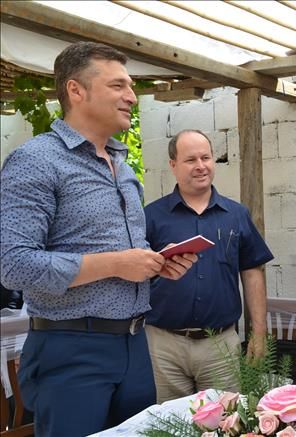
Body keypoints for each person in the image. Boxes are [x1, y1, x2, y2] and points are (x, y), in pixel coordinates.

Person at [0, 41, 197, 436]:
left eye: (131, 86)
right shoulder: (35, 160)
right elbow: (13, 265)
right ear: (76, 90)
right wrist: (116, 264)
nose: (132, 97)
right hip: (70, 349)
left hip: (135, 345)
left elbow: (119, 255)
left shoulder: (123, 167)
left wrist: (154, 264)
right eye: (118, 86)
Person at [144, 129, 274, 403]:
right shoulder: (151, 216)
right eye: (190, 160)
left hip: (220, 344)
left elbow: (252, 272)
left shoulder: (236, 214)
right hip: (164, 345)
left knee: (225, 420)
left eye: (206, 157)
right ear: (173, 165)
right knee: (169, 422)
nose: (201, 166)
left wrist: (259, 333)